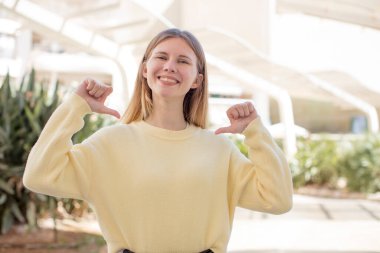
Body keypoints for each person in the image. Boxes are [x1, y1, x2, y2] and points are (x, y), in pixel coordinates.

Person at [23, 28, 293, 253]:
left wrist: (256, 132)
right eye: (161, 57)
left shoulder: (219, 150)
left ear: (198, 80)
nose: (169, 66)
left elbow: (278, 199)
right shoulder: (111, 143)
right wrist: (76, 106)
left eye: (183, 61)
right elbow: (39, 175)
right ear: (144, 70)